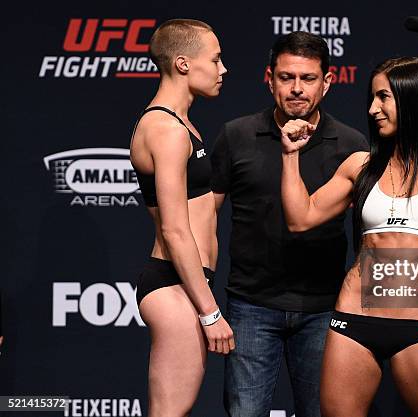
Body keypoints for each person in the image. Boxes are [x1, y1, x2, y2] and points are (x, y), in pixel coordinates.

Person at [280, 56, 418, 417]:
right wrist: (289, 156)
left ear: (413, 100)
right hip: (353, 323)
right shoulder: (361, 166)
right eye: (372, 98)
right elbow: (301, 218)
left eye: (384, 97)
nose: (373, 109)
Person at [210, 31, 368, 417]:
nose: (297, 89)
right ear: (269, 78)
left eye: (308, 78)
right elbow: (204, 217)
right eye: (286, 77)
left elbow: (366, 234)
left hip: (323, 308)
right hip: (251, 305)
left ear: (327, 82)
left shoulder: (351, 144)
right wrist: (203, 299)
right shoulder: (237, 135)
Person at [129, 19, 234, 417]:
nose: (223, 69)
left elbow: (201, 207)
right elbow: (175, 229)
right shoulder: (166, 129)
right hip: (176, 285)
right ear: (184, 64)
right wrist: (210, 313)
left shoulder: (181, 123)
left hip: (188, 282)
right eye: (216, 59)